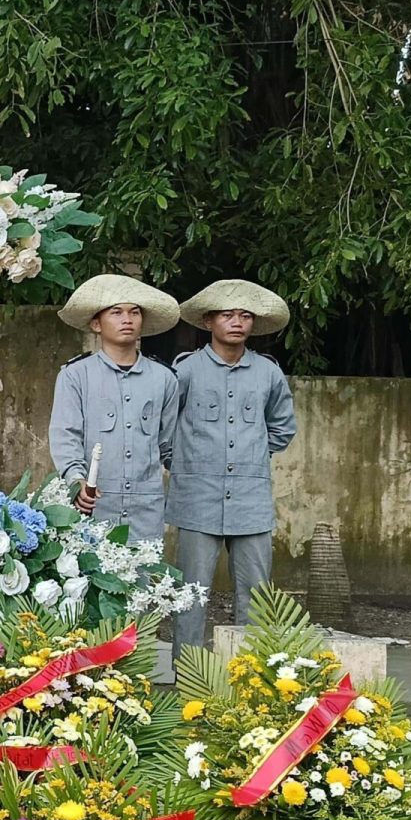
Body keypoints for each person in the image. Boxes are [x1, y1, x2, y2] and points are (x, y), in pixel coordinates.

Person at [167, 280, 298, 655]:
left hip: (250, 500)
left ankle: (249, 676)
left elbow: (283, 426)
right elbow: (165, 427)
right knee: (191, 593)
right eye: (227, 315)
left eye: (244, 316)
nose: (237, 322)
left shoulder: (268, 373)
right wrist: (186, 465)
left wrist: (252, 457)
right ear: (209, 321)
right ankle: (187, 674)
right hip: (196, 499)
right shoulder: (186, 371)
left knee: (256, 594)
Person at [48, 273, 182, 543]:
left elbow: (167, 442)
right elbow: (65, 435)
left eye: (134, 313)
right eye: (116, 312)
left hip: (146, 508)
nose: (127, 319)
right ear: (96, 324)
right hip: (93, 504)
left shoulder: (164, 378)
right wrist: (77, 480)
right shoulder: (75, 375)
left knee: (144, 580)